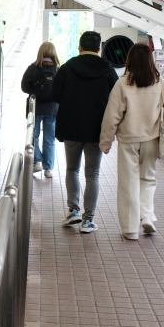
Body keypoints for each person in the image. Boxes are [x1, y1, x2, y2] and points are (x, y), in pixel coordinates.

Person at [99, 43, 164, 240]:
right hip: (151, 139)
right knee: (148, 179)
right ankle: (147, 216)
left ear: (129, 60)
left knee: (128, 183)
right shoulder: (160, 83)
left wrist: (105, 142)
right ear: (150, 61)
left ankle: (131, 229)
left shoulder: (122, 84)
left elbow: (111, 116)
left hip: (128, 141)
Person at [51, 31, 119, 234]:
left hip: (71, 127)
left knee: (72, 169)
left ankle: (73, 210)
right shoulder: (107, 70)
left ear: (79, 47)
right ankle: (88, 220)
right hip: (97, 131)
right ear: (99, 49)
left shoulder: (67, 67)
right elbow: (115, 98)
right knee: (93, 174)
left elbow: (55, 95)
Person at [20, 42, 60, 178]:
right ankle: (48, 168)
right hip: (52, 109)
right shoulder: (58, 69)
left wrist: (34, 90)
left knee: (34, 135)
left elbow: (24, 87)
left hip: (35, 107)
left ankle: (37, 161)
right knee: (49, 138)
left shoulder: (33, 68)